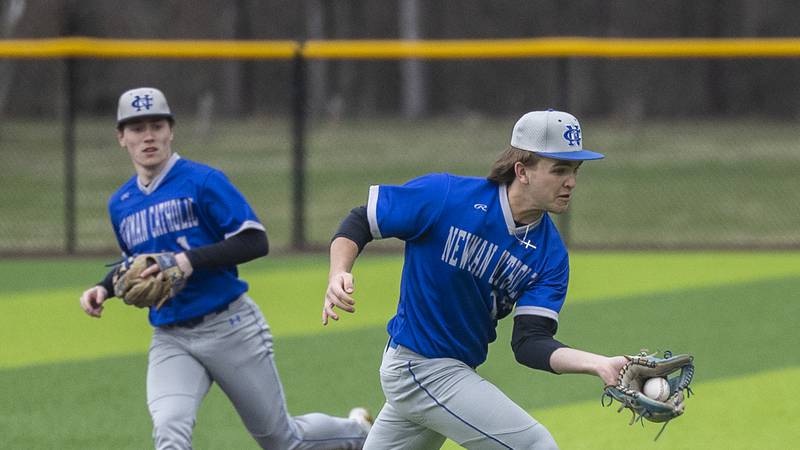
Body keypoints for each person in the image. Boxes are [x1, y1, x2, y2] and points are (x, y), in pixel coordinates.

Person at [79, 87, 372, 450]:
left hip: (231, 328)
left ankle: (358, 433)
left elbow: (254, 240)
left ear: (171, 130)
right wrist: (105, 287)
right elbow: (135, 264)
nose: (148, 136)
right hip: (172, 337)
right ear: (121, 138)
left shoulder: (203, 182)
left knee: (283, 441)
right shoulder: (121, 203)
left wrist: (187, 262)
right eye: (137, 128)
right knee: (170, 431)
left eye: (156, 125)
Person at [322, 110, 629, 449]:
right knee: (535, 445)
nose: (571, 181)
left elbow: (530, 342)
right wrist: (339, 272)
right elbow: (361, 220)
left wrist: (598, 365)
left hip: (448, 374)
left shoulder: (550, 256)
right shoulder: (447, 197)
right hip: (418, 366)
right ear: (522, 171)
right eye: (559, 169)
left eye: (575, 170)